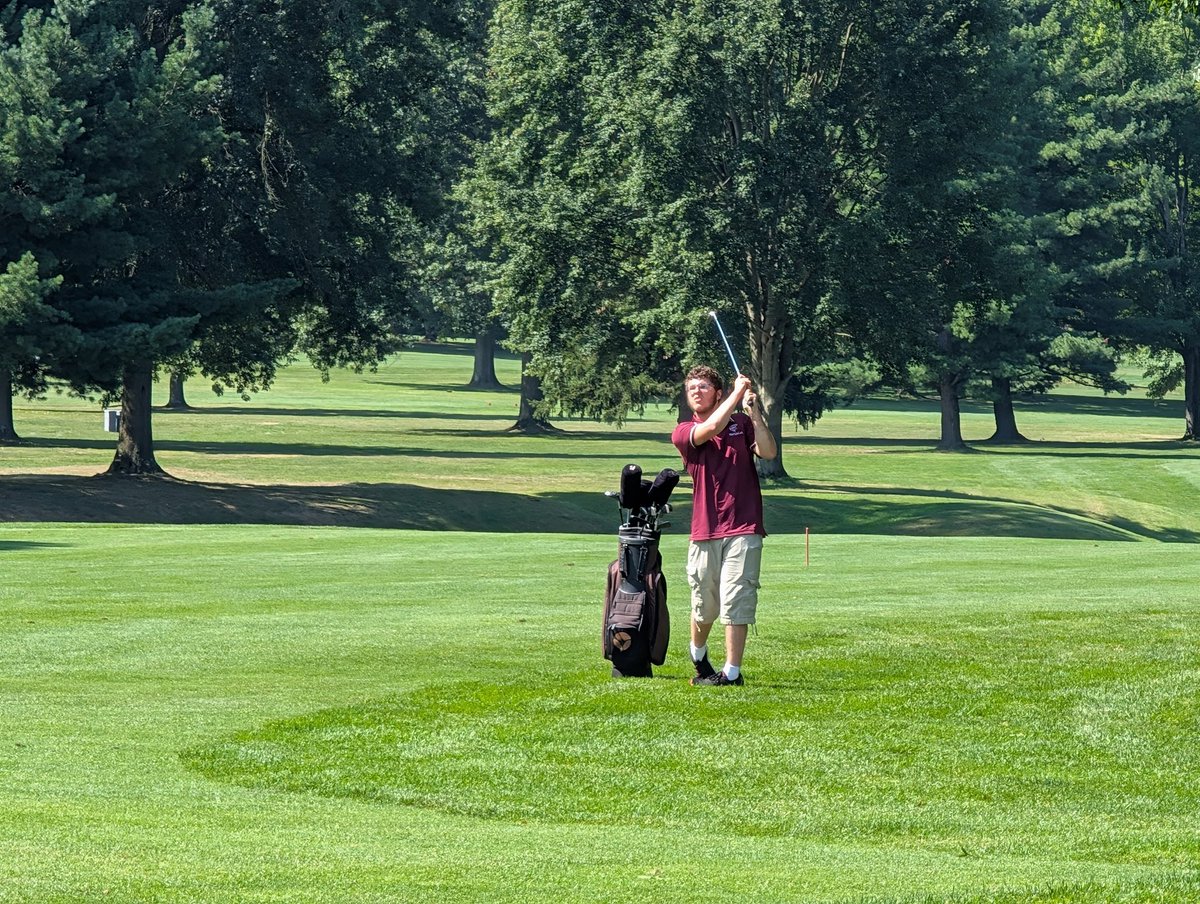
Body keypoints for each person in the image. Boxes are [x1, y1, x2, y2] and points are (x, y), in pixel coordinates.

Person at [671, 365, 777, 687]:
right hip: (705, 531)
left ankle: (732, 673)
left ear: (716, 393)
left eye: (703, 386)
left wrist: (754, 412)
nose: (696, 391)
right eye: (691, 388)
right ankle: (698, 652)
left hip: (744, 526)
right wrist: (737, 392)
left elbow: (768, 452)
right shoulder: (684, 431)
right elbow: (712, 427)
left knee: (736, 599)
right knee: (705, 606)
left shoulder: (741, 424)